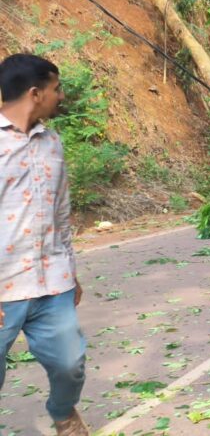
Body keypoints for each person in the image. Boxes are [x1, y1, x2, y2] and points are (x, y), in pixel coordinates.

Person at [0, 54, 88, 436]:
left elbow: (61, 212)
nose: (60, 96)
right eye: (56, 89)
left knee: (71, 363)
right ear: (35, 93)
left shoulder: (52, 142)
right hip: (3, 290)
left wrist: (71, 269)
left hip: (52, 282)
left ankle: (63, 411)